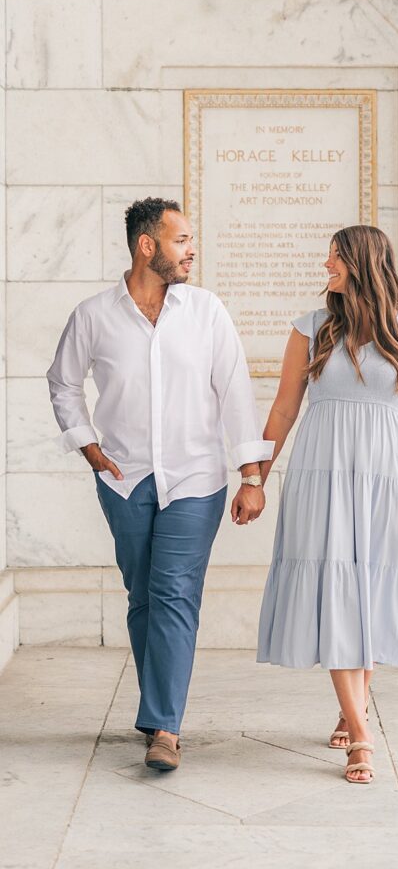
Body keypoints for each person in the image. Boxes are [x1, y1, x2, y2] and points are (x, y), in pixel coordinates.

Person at [47, 198, 273, 772]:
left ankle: (165, 728)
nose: (191, 250)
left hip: (196, 479)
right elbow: (63, 383)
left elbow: (236, 393)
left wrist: (251, 474)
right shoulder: (94, 315)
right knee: (143, 596)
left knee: (173, 591)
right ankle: (157, 709)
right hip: (123, 480)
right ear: (147, 246)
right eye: (181, 240)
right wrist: (89, 447)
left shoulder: (207, 311)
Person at [257, 224, 398, 784]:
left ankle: (351, 707)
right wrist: (256, 477)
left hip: (386, 478)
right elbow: (285, 408)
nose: (326, 268)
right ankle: (361, 735)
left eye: (335, 259)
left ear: (362, 264)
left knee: (370, 588)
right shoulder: (309, 329)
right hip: (320, 475)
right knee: (334, 586)